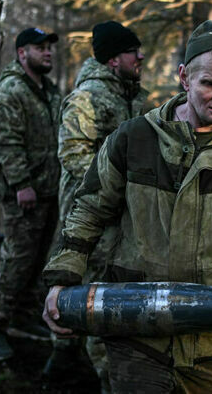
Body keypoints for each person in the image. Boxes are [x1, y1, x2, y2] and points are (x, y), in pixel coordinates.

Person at [42, 20, 212, 394]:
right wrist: (62, 279)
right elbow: (87, 210)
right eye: (211, 84)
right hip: (133, 326)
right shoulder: (133, 139)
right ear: (184, 78)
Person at [42, 21, 148, 387]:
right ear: (114, 59)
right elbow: (72, 154)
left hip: (122, 211)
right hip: (90, 212)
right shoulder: (87, 97)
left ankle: (66, 355)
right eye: (134, 51)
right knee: (95, 288)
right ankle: (103, 372)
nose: (141, 56)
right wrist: (119, 180)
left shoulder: (131, 94)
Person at [0, 27, 62, 361]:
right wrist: (22, 184)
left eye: (49, 48)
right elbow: (7, 142)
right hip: (22, 193)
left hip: (47, 188)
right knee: (16, 261)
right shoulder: (11, 90)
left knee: (38, 261)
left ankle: (24, 317)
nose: (47, 53)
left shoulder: (47, 89)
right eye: (39, 48)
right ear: (21, 53)